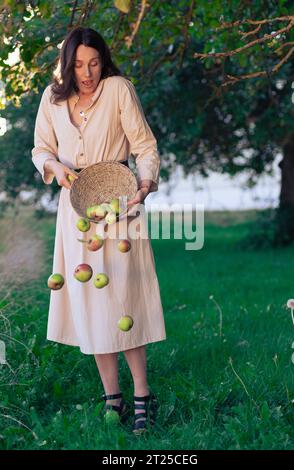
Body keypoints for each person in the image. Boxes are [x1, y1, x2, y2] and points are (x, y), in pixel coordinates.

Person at [31, 26, 166, 435]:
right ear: (66, 65)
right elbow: (40, 148)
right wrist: (53, 166)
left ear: (103, 61)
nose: (87, 73)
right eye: (78, 65)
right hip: (76, 212)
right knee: (91, 301)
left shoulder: (119, 89)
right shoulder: (51, 100)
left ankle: (142, 394)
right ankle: (113, 396)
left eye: (93, 63)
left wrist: (145, 184)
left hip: (121, 203)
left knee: (125, 299)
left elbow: (144, 146)